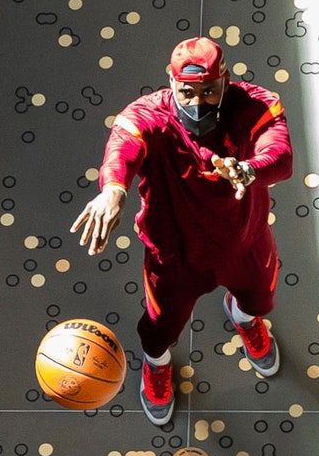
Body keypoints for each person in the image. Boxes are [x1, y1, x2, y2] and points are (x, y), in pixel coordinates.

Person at [70, 37, 293, 427]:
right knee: (159, 331)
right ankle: (157, 368)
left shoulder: (257, 104)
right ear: (170, 83)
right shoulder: (147, 116)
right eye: (187, 91)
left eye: (209, 91)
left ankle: (242, 317)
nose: (198, 102)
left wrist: (251, 169)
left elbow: (281, 154)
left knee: (258, 301)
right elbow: (122, 148)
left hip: (245, 242)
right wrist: (113, 189)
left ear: (226, 80)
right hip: (175, 256)